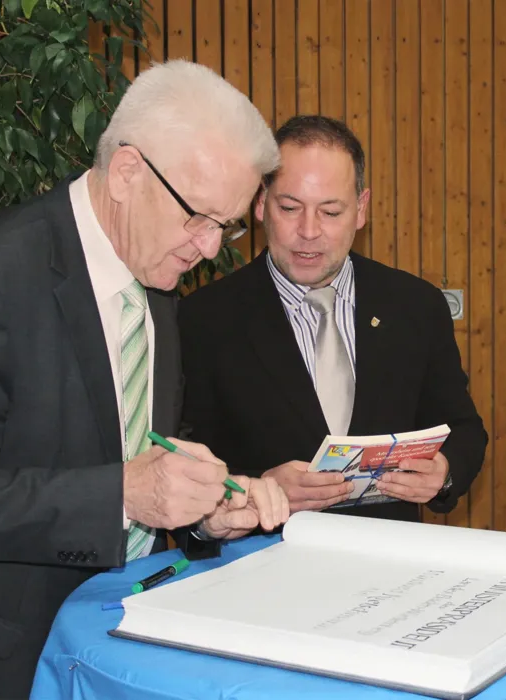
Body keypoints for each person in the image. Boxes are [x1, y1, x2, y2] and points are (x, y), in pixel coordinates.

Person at [0, 60, 289, 699]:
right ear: (126, 173)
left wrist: (205, 512)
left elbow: (138, 454)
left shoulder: (154, 275)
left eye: (226, 228)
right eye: (199, 218)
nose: (208, 247)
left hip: (108, 649)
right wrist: (120, 496)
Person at [179, 115, 487, 524]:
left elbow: (464, 429)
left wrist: (444, 473)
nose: (309, 231)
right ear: (260, 204)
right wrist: (258, 486)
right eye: (290, 207)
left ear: (360, 210)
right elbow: (183, 463)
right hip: (263, 572)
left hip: (391, 567)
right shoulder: (203, 320)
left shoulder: (416, 306)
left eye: (330, 211)